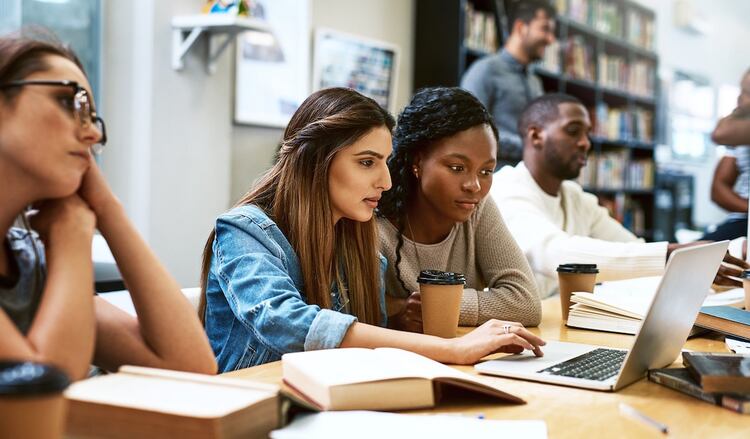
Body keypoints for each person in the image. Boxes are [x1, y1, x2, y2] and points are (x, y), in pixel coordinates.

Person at [199, 87, 545, 372]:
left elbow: (369, 342)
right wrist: (452, 349)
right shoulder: (244, 231)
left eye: (384, 161)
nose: (386, 180)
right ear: (314, 161)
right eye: (367, 162)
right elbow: (288, 324)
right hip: (249, 410)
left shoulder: (354, 236)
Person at [0, 35, 217, 380]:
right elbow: (40, 399)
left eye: (91, 117)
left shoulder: (29, 264)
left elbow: (190, 366)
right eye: (67, 101)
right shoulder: (60, 244)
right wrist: (73, 235)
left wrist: (107, 209)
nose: (90, 135)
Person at [491, 93, 748, 298]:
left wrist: (738, 249)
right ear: (536, 135)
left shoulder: (575, 197)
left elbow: (633, 250)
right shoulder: (506, 189)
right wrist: (672, 255)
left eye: (588, 133)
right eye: (573, 131)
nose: (586, 143)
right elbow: (557, 255)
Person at [376, 87, 541, 334]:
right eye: (456, 167)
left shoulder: (477, 208)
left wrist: (436, 306)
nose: (474, 186)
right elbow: (356, 310)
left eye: (486, 171)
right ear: (417, 162)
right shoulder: (372, 219)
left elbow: (526, 303)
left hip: (461, 356)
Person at [461, 0, 556, 167]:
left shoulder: (535, 82)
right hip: (496, 182)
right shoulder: (484, 71)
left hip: (531, 180)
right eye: (545, 29)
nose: (550, 39)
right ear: (521, 27)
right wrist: (530, 146)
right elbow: (469, 131)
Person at [703, 68, 750, 241]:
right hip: (743, 220)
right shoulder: (740, 128)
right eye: (741, 90)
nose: (740, 97)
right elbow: (718, 189)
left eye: (747, 92)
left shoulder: (736, 128)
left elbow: (719, 133)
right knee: (690, 254)